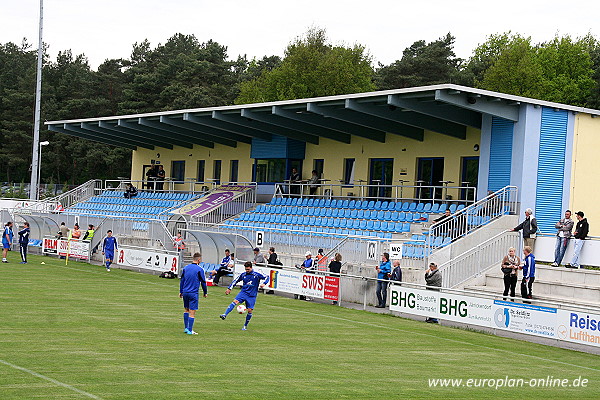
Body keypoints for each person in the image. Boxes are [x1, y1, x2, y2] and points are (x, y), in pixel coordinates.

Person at [220, 261, 270, 331]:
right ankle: (224, 314)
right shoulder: (243, 275)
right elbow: (235, 281)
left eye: (248, 269)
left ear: (251, 268)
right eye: (246, 269)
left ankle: (245, 326)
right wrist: (229, 288)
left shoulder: (257, 275)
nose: (247, 271)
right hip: (243, 293)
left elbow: (267, 277)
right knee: (235, 301)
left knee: (249, 310)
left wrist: (264, 283)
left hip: (252, 295)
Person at [179, 252, 208, 335]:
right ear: (199, 260)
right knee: (192, 312)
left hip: (185, 292)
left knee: (186, 310)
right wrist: (205, 292)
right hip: (193, 293)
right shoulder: (200, 269)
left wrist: (181, 291)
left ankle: (186, 328)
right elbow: (203, 282)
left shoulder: (186, 268)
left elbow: (182, 281)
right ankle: (190, 330)